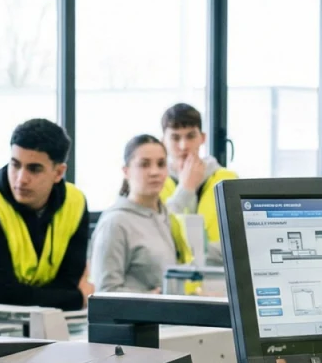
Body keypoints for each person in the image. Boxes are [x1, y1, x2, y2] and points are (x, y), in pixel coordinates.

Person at [0, 119, 92, 310]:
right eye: (15, 165)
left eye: (34, 169)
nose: (21, 179)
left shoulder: (76, 202)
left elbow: (68, 281)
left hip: (46, 320)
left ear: (58, 172)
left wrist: (9, 296)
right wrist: (77, 298)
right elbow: (4, 294)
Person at [91, 134, 193, 294]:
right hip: (136, 318)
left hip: (168, 316)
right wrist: (148, 298)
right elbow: (104, 293)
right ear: (126, 171)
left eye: (161, 164)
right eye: (144, 164)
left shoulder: (165, 216)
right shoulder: (115, 223)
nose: (154, 172)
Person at [160, 103, 237, 266]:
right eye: (175, 137)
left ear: (202, 138)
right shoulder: (156, 183)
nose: (183, 146)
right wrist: (185, 189)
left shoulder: (227, 179)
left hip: (218, 278)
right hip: (171, 281)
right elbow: (153, 235)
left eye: (190, 136)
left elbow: (241, 238)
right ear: (163, 141)